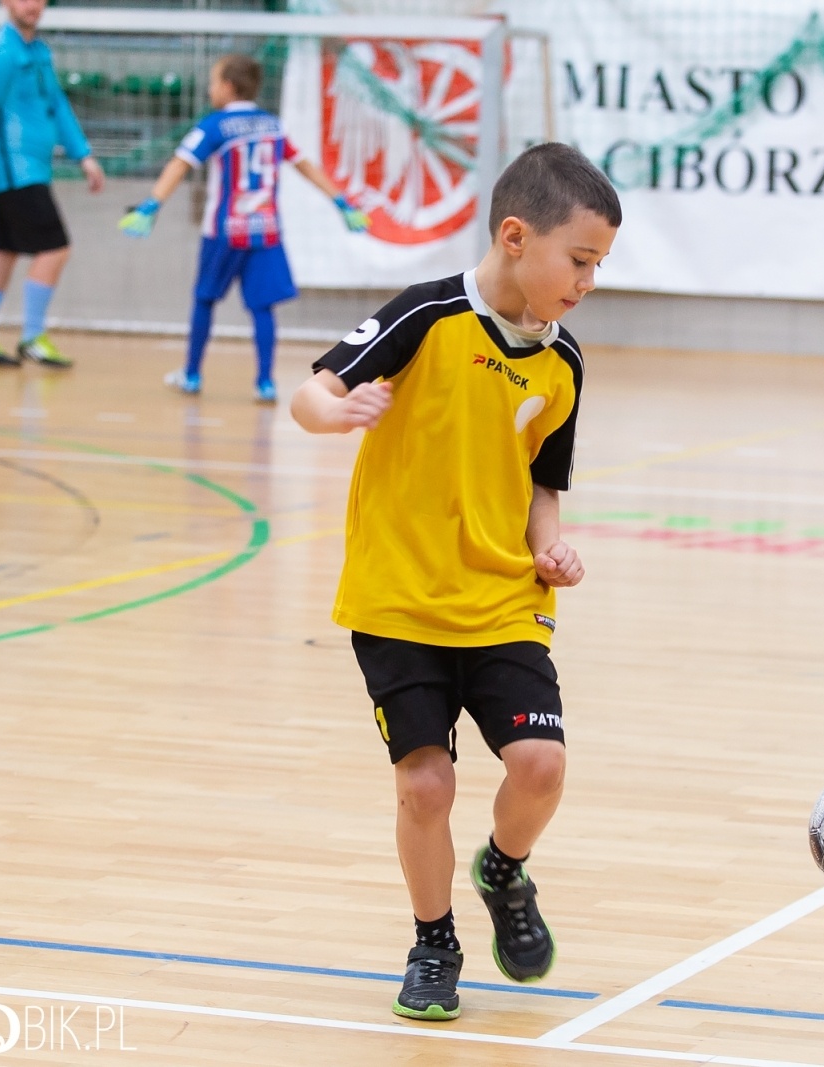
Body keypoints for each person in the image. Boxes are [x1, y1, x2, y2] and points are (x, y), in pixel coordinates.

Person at [289, 143, 621, 1021]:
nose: (588, 281)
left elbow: (544, 480)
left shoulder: (563, 363)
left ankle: (503, 870)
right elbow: (312, 393)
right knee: (426, 784)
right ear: (516, 236)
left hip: (503, 599)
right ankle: (433, 940)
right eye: (580, 260)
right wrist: (339, 411)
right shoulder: (428, 315)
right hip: (399, 600)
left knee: (541, 766)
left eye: (599, 266)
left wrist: (551, 546)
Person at [119, 54, 369, 404]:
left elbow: (180, 163)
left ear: (227, 87)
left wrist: (151, 204)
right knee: (262, 308)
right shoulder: (273, 126)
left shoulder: (215, 126)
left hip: (224, 231)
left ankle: (191, 374)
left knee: (205, 299)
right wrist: (341, 202)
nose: (209, 89)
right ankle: (265, 382)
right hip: (265, 231)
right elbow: (305, 166)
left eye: (212, 82)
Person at [0, 0, 105, 369]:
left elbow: (56, 103)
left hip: (36, 168)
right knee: (55, 248)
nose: (33, 5)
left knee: (3, 250)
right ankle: (33, 337)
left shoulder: (38, 51)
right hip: (16, 171)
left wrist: (82, 154)